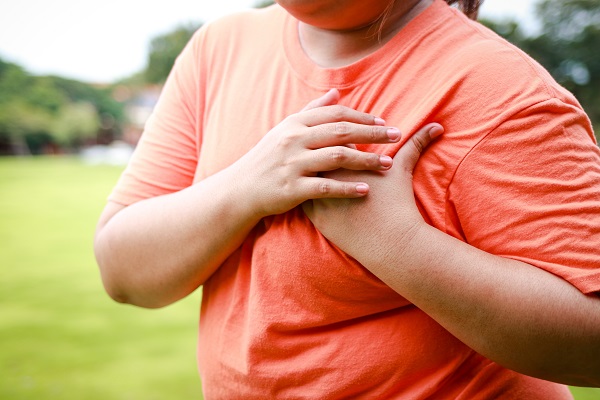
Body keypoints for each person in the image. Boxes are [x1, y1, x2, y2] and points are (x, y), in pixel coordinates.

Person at [94, 0, 600, 398]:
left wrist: (396, 243)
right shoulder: (219, 47)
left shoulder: (503, 89)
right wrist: (246, 185)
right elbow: (123, 272)